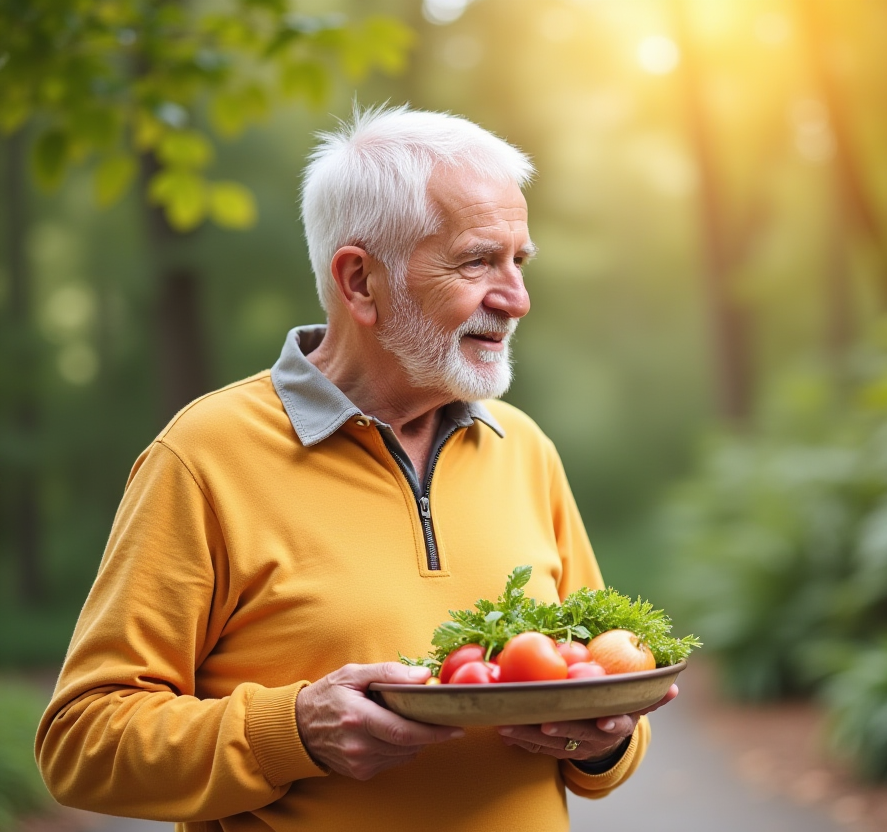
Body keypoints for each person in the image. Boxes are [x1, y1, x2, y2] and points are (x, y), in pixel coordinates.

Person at [35, 106, 676, 832]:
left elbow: (600, 699)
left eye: (519, 261)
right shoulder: (204, 456)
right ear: (361, 281)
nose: (517, 298)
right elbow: (80, 746)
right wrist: (293, 731)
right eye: (477, 260)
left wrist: (602, 742)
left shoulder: (524, 448)